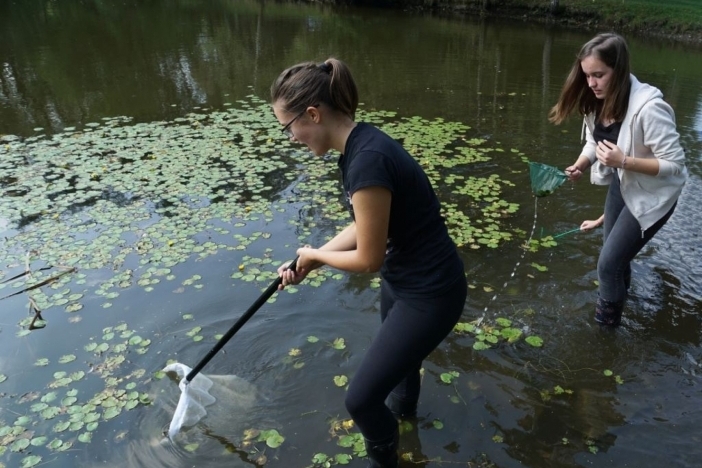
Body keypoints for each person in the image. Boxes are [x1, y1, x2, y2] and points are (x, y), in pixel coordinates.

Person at [270, 58, 467, 467]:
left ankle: (386, 460)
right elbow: (364, 225)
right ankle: (406, 429)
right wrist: (312, 260)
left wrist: (314, 253)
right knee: (400, 374)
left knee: (360, 399)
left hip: (431, 293)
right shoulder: (361, 146)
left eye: (288, 127)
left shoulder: (368, 160)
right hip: (405, 282)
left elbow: (368, 258)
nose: (290, 138)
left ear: (313, 113)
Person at [549, 33, 687, 326]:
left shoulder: (650, 109)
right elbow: (594, 142)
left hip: (653, 196)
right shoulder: (597, 101)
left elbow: (676, 165)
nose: (591, 83)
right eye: (587, 75)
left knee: (608, 264)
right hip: (622, 185)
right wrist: (581, 164)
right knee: (615, 258)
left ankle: (605, 329)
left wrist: (623, 161)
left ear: (619, 70)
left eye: (598, 75)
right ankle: (624, 306)